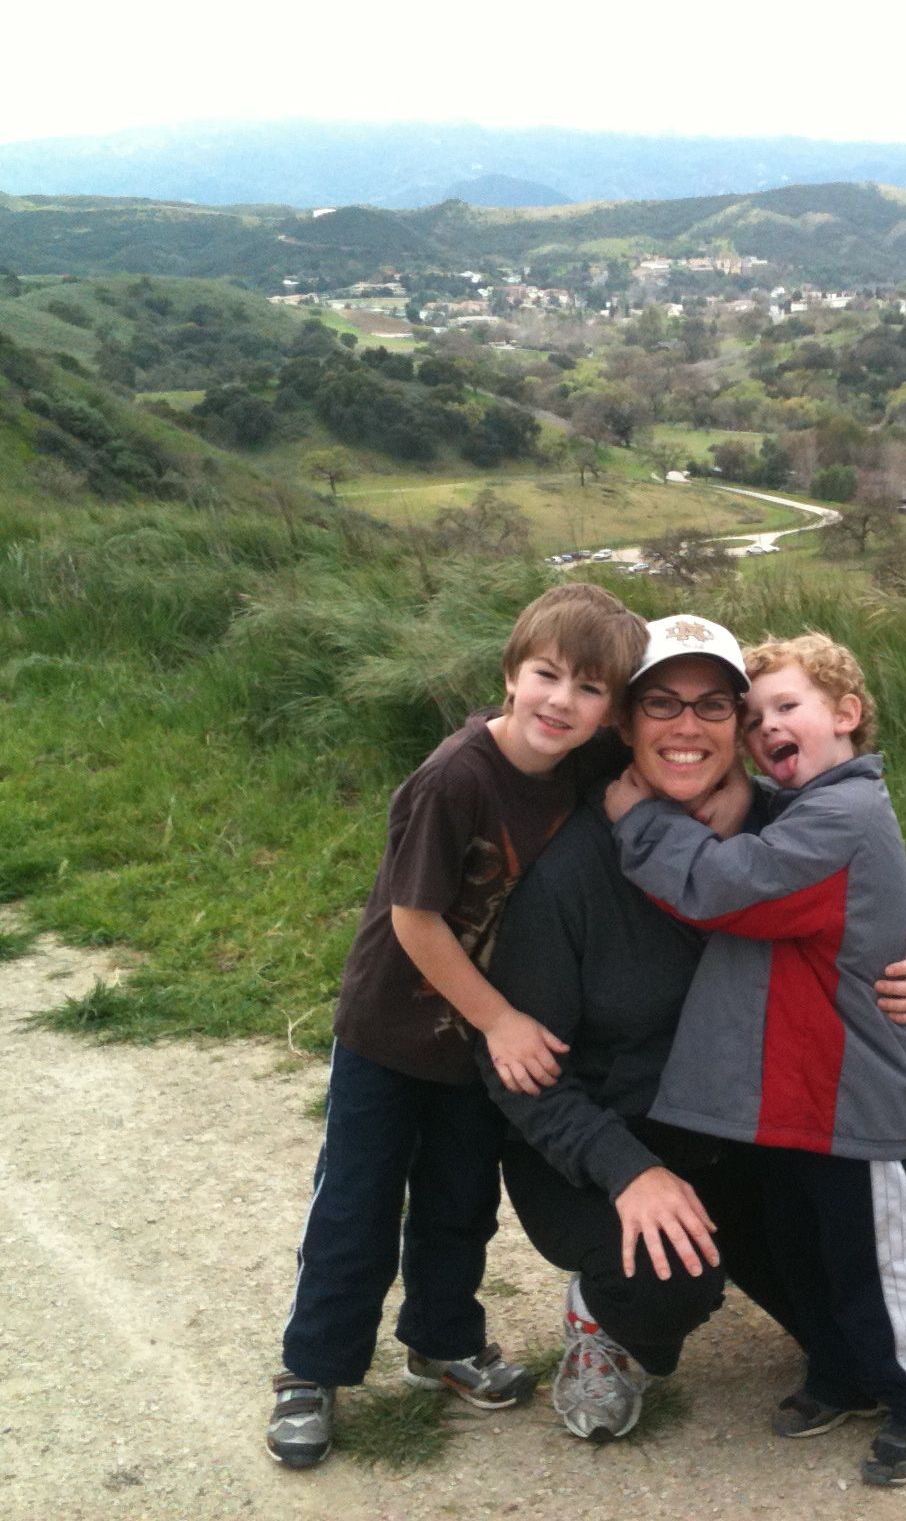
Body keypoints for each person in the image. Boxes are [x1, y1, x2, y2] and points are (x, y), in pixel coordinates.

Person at [477, 614, 906, 1454]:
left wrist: (901, 971)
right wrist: (627, 1171)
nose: (688, 728)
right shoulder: (571, 871)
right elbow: (515, 1073)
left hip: (730, 1128)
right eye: (662, 706)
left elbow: (852, 916)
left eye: (716, 707)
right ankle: (598, 1318)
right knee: (668, 1279)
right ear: (623, 724)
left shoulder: (781, 827)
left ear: (740, 729)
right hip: (600, 1140)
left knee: (849, 1323)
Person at [266, 583, 647, 1470]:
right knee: (356, 1205)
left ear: (609, 713)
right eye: (546, 675)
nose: (562, 701)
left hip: (475, 1053)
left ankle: (441, 1342)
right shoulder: (454, 778)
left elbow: (665, 762)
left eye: (590, 690)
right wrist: (504, 1019)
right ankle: (311, 1370)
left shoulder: (580, 765)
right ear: (510, 674)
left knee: (459, 1203)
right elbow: (417, 922)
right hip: (392, 1036)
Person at [606, 630, 906, 1486]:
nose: (766, 730)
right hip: (793, 1095)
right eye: (754, 718)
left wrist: (643, 818)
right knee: (809, 1249)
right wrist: (729, 786)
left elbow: (729, 888)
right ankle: (842, 1374)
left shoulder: (844, 815)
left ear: (848, 715)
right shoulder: (803, 804)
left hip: (849, 1097)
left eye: (787, 708)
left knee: (880, 1264)